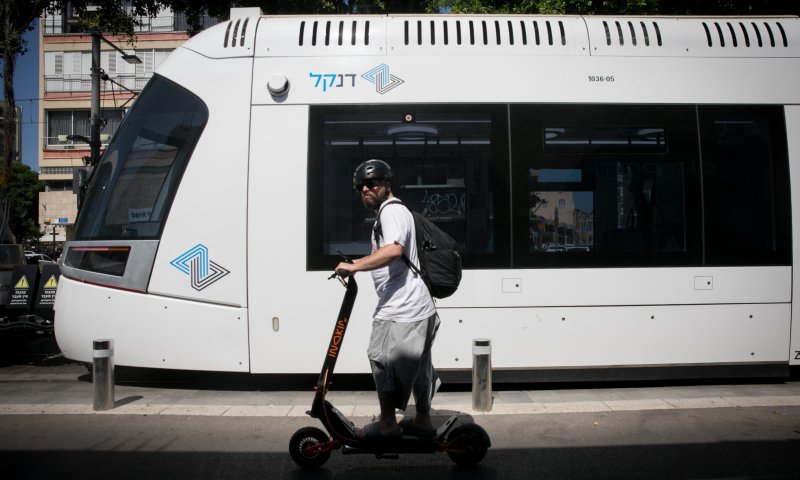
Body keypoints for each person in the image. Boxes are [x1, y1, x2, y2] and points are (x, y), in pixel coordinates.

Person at [334, 159, 440, 441]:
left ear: (387, 185)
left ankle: (388, 425)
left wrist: (354, 266)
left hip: (401, 306)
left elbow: (394, 250)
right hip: (420, 305)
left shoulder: (390, 211)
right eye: (361, 186)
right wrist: (358, 261)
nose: (365, 189)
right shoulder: (397, 211)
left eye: (372, 183)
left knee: (379, 356)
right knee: (419, 364)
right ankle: (423, 420)